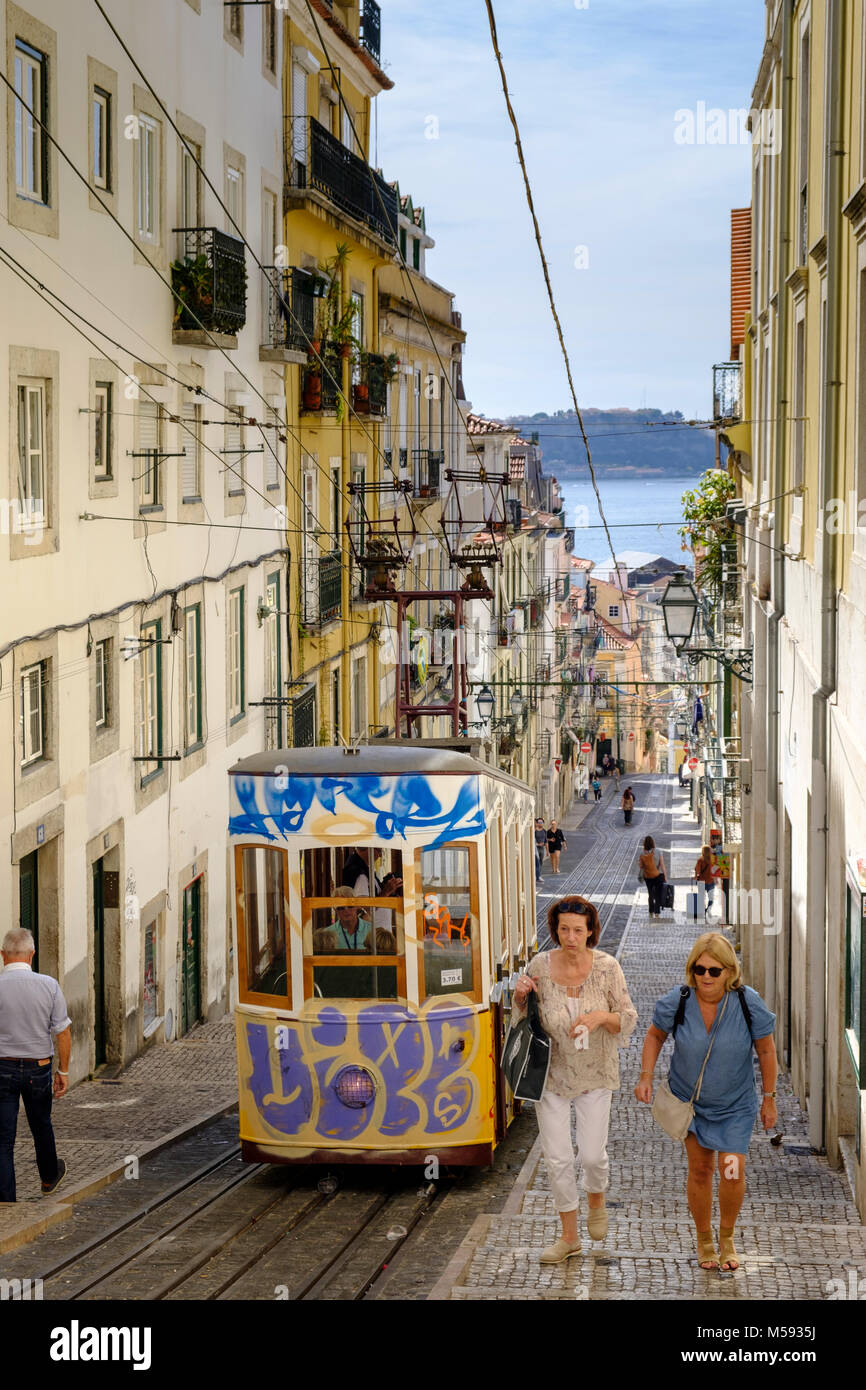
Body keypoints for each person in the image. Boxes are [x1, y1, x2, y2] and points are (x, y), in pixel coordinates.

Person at [634, 932, 778, 1272]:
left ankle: (727, 1236)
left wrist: (769, 1098)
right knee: (700, 1170)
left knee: (732, 1171)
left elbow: (767, 1049)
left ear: (730, 971)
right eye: (700, 970)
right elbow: (655, 1035)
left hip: (734, 1107)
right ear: (692, 970)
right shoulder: (679, 1000)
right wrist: (645, 1076)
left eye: (715, 971)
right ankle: (704, 1239)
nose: (707, 978)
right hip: (692, 1104)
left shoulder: (747, 1002)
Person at [512, 896, 638, 1262]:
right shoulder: (540, 965)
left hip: (595, 1073)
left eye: (577, 930)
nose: (570, 937)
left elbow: (627, 1017)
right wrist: (520, 997)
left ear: (590, 932)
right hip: (551, 1073)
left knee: (593, 1157)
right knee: (557, 1159)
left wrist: (600, 1016)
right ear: (555, 930)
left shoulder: (607, 968)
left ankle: (596, 1200)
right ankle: (569, 1237)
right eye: (563, 929)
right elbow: (524, 1017)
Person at [0, 928, 70, 1202]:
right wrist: (62, 1070)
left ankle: (5, 1199)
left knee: (3, 1139)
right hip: (38, 1068)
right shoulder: (49, 985)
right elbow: (62, 1032)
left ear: (3, 955)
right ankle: (49, 1177)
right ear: (32, 954)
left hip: (2, 1068)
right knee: (41, 1125)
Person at [638, 835, 666, 919]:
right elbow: (662, 865)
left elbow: (641, 866)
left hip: (647, 876)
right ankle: (657, 912)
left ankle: (651, 911)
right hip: (657, 875)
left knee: (650, 893)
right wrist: (665, 876)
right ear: (653, 843)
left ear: (645, 844)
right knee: (657, 894)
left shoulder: (642, 853)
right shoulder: (658, 851)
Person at [694, 845, 719, 917]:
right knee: (711, 898)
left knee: (701, 897)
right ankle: (708, 910)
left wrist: (696, 877)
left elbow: (697, 870)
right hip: (711, 881)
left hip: (701, 881)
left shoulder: (700, 860)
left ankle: (703, 911)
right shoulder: (713, 860)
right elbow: (716, 870)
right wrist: (716, 879)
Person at [534, 817, 547, 885]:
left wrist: (547, 851)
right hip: (536, 848)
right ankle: (537, 876)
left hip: (542, 848)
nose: (540, 823)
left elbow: (546, 841)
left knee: (540, 862)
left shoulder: (544, 831)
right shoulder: (534, 831)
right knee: (537, 863)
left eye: (541, 822)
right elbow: (532, 841)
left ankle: (539, 874)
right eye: (539, 822)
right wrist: (538, 844)